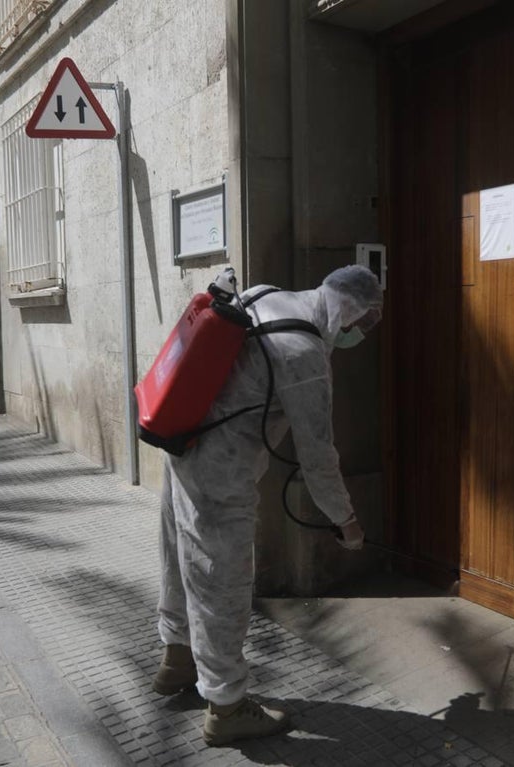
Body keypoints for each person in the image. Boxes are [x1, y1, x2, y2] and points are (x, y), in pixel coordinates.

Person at [154, 264, 383, 746]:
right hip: (221, 472)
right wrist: (346, 520)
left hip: (181, 439)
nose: (359, 336)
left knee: (180, 562)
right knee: (223, 582)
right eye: (363, 324)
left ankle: (177, 661)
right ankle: (227, 707)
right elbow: (318, 457)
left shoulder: (265, 293)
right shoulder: (304, 353)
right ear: (347, 309)